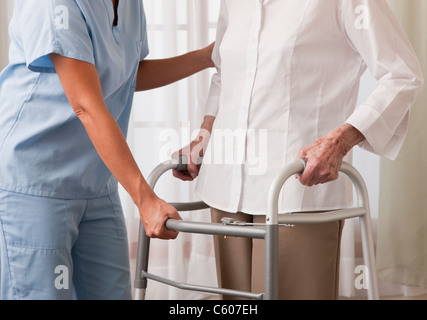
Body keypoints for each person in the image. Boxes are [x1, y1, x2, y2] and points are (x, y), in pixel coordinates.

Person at [173, 0, 423, 299]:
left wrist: (339, 141)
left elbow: (402, 75)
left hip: (297, 188)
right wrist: (204, 135)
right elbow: (225, 73)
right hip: (225, 189)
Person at [0, 0, 213, 300]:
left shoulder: (129, 4)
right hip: (36, 183)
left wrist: (205, 57)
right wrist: (145, 198)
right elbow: (86, 103)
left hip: (96, 182)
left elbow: (127, 73)